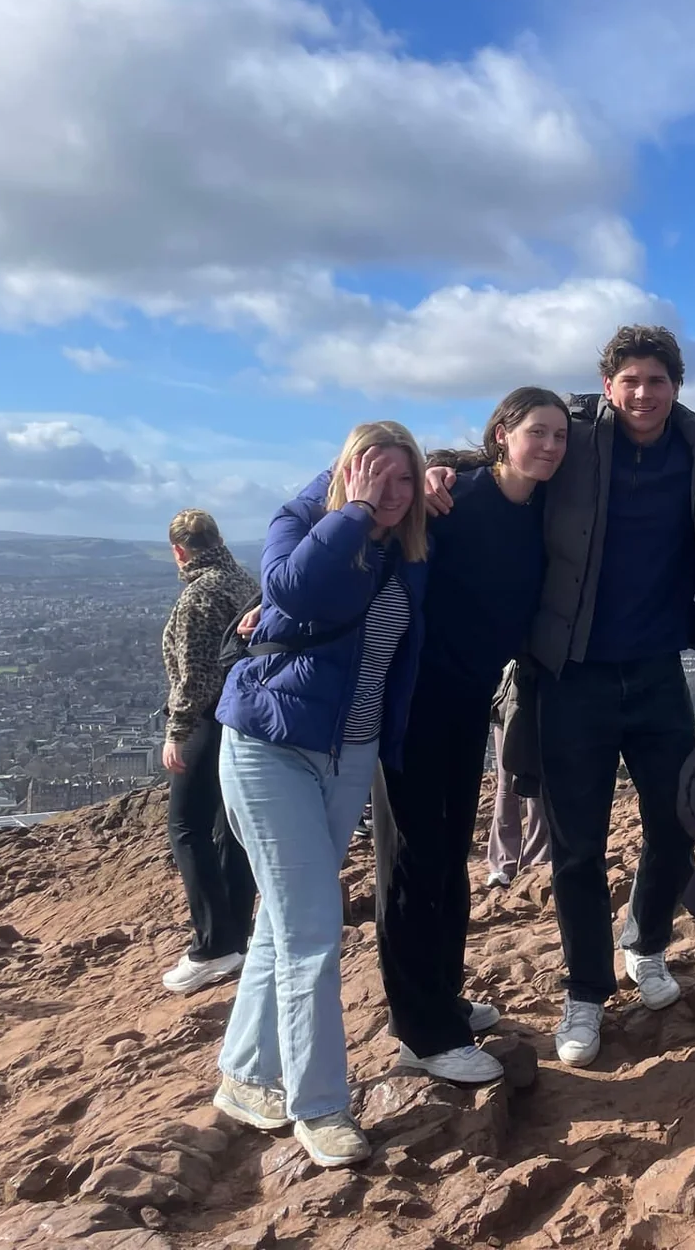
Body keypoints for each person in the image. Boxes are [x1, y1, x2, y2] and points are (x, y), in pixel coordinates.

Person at [210, 422, 431, 1169]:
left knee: (283, 922)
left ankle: (244, 1077)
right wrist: (354, 509)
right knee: (313, 932)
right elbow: (290, 589)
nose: (392, 494)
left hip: (348, 756)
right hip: (269, 748)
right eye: (377, 477)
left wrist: (442, 480)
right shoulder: (304, 524)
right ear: (344, 473)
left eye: (404, 481)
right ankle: (320, 1107)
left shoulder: (408, 547)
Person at [526, 325, 695, 1068]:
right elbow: (506, 447)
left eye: (656, 380)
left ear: (676, 384)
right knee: (578, 848)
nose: (643, 394)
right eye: (629, 381)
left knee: (676, 824)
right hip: (572, 674)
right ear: (608, 385)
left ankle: (644, 943)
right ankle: (584, 992)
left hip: (656, 669)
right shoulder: (577, 441)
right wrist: (440, 471)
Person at [372, 388, 569, 1086]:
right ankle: (420, 1033)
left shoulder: (541, 508)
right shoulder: (452, 500)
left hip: (465, 702)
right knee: (411, 864)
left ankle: (441, 998)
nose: (548, 446)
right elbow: (371, 544)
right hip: (413, 700)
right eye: (536, 432)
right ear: (502, 434)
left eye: (559, 436)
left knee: (448, 852)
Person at [158, 509, 259, 994]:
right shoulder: (242, 581)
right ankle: (236, 933)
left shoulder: (199, 595)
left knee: (186, 827)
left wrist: (176, 732)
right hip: (242, 717)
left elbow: (195, 675)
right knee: (229, 829)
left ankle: (213, 946)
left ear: (180, 550)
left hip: (208, 720)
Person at [484, 662, 549, 887]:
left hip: (525, 693)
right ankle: (520, 862)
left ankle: (515, 863)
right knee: (513, 785)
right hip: (515, 695)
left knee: (527, 785)